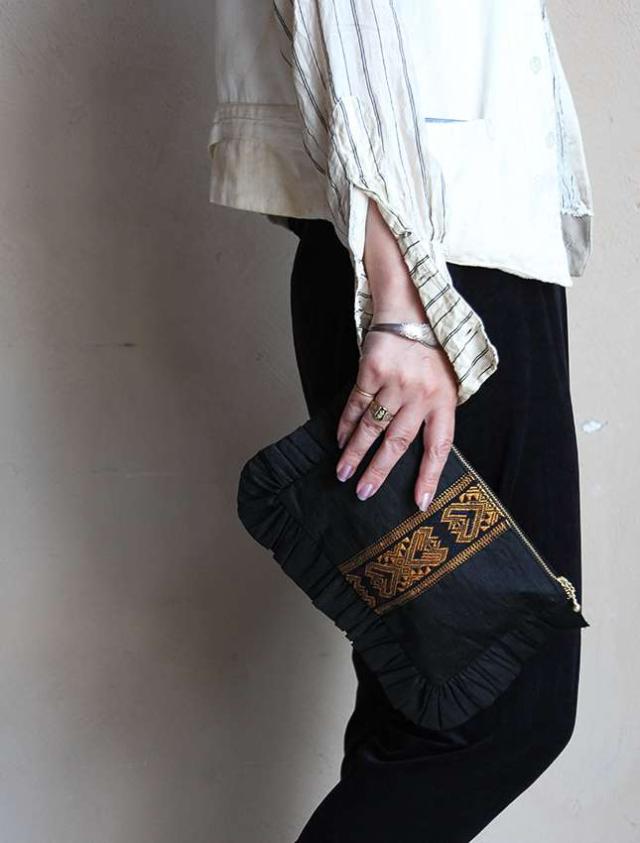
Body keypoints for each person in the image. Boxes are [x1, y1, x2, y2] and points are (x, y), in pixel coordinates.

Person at [209, 2, 593, 841]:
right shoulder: (413, 297)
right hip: (430, 279)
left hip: (451, 258)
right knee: (495, 706)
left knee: (425, 705)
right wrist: (405, 307)